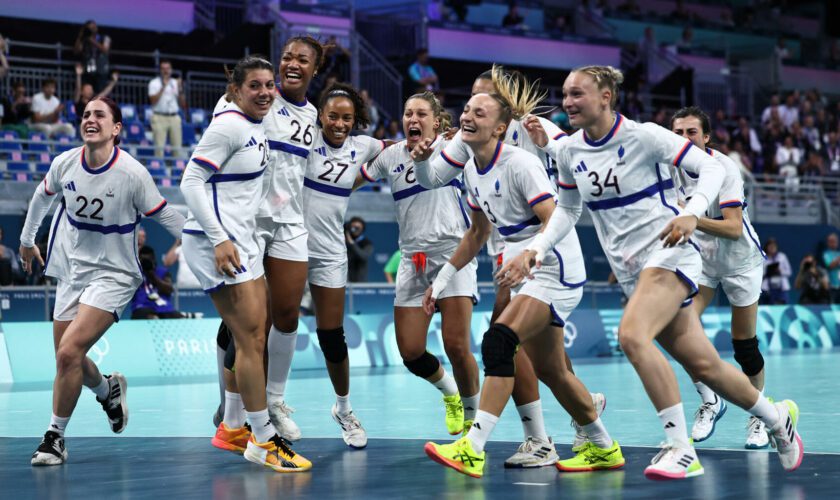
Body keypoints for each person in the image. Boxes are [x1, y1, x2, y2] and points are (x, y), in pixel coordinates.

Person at [518, 65, 801, 480]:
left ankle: (680, 446)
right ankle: (778, 419)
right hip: (633, 270)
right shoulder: (570, 151)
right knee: (704, 365)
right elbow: (569, 208)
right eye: (564, 94)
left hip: (670, 255)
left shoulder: (644, 135)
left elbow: (714, 169)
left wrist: (690, 213)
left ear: (605, 97)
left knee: (632, 336)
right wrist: (538, 247)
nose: (567, 102)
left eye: (577, 94)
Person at [418, 81, 623, 479]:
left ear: (500, 127)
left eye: (480, 113)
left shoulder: (519, 163)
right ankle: (603, 446)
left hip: (553, 263)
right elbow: (477, 234)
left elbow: (556, 217)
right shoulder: (471, 171)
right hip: (522, 261)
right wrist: (442, 280)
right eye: (466, 111)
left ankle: (472, 448)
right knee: (552, 370)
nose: (467, 117)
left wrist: (532, 256)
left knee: (499, 340)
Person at [19, 96, 185, 466]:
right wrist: (27, 240)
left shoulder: (132, 174)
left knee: (67, 353)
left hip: (115, 273)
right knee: (67, 358)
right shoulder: (65, 163)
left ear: (116, 129)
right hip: (72, 269)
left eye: (99, 115)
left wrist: (210, 241)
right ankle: (107, 388)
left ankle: (54, 438)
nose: (90, 119)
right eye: (86, 115)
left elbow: (168, 216)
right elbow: (41, 197)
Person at [180, 55, 311, 472]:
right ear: (235, 90)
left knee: (255, 334)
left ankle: (235, 429)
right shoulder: (229, 125)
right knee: (252, 340)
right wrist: (219, 239)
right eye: (254, 85)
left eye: (269, 85)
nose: (265, 92)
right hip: (217, 245)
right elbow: (190, 181)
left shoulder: (257, 125)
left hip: (244, 242)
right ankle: (263, 440)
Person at [355, 91, 481, 439]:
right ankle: (451, 394)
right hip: (412, 258)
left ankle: (474, 422)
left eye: (422, 113)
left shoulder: (455, 149)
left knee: (457, 346)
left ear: (438, 123)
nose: (413, 118)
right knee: (410, 352)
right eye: (408, 113)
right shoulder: (392, 155)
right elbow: (350, 182)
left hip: (452, 254)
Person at [669, 106, 771, 450]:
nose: (683, 139)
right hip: (702, 260)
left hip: (740, 261)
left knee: (744, 345)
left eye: (691, 133)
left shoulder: (724, 168)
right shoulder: (670, 168)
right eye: (678, 133)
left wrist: (692, 218)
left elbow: (732, 226)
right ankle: (711, 401)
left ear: (706, 136)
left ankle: (759, 412)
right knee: (678, 328)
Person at [302, 82, 385, 448]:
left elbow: (397, 153)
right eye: (332, 116)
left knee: (331, 335)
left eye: (347, 118)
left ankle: (343, 408)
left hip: (330, 252)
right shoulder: (304, 139)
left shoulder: (363, 147)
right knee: (272, 327)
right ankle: (262, 406)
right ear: (320, 115)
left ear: (356, 120)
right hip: (287, 246)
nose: (339, 123)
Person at [258, 36, 323, 441]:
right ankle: (233, 405)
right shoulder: (259, 99)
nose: (292, 64)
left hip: (289, 222)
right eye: (287, 57)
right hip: (249, 221)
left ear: (314, 70)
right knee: (246, 322)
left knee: (287, 315)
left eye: (302, 59)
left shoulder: (314, 113)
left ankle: (274, 400)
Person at [131, 246, 185, 319]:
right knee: (146, 315)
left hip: (163, 307)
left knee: (177, 316)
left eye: (149, 260)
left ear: (154, 259)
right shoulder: (134, 274)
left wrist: (152, 275)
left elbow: (169, 290)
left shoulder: (163, 272)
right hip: (142, 307)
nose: (146, 263)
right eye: (143, 260)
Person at [148, 60, 186, 157]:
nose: (166, 71)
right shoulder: (154, 83)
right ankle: (158, 170)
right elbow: (152, 101)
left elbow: (183, 104)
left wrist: (180, 89)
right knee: (159, 149)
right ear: (160, 70)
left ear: (171, 70)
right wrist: (163, 87)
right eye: (163, 69)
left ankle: (177, 171)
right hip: (159, 117)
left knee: (177, 148)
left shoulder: (175, 82)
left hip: (174, 117)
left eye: (168, 68)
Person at [74, 63, 117, 130]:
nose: (90, 91)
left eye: (91, 89)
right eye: (88, 89)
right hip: (81, 126)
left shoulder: (93, 101)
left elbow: (104, 93)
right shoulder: (78, 100)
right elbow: (78, 88)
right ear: (82, 92)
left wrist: (113, 82)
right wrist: (78, 75)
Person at [74, 20, 111, 94]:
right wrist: (80, 36)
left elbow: (105, 50)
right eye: (89, 28)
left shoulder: (104, 38)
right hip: (88, 71)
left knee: (100, 94)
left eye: (93, 27)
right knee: (86, 93)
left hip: (101, 71)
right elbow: (76, 51)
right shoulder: (84, 40)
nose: (92, 29)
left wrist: (92, 41)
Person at [761, 237, 791, 304]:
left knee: (781, 308)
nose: (772, 247)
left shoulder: (782, 256)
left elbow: (789, 272)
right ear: (766, 247)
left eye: (774, 245)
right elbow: (759, 274)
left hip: (781, 288)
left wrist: (780, 271)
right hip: (767, 289)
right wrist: (768, 271)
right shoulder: (762, 258)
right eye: (770, 245)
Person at [346, 216, 373, 282]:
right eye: (353, 227)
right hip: (344, 280)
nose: (355, 229)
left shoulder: (367, 243)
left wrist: (351, 243)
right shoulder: (342, 243)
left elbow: (363, 256)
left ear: (362, 229)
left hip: (360, 281)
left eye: (357, 228)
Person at [821, 233, 840, 303]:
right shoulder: (826, 254)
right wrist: (838, 260)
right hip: (832, 286)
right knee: (833, 305)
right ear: (828, 243)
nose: (833, 244)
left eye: (834, 241)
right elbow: (829, 266)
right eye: (831, 242)